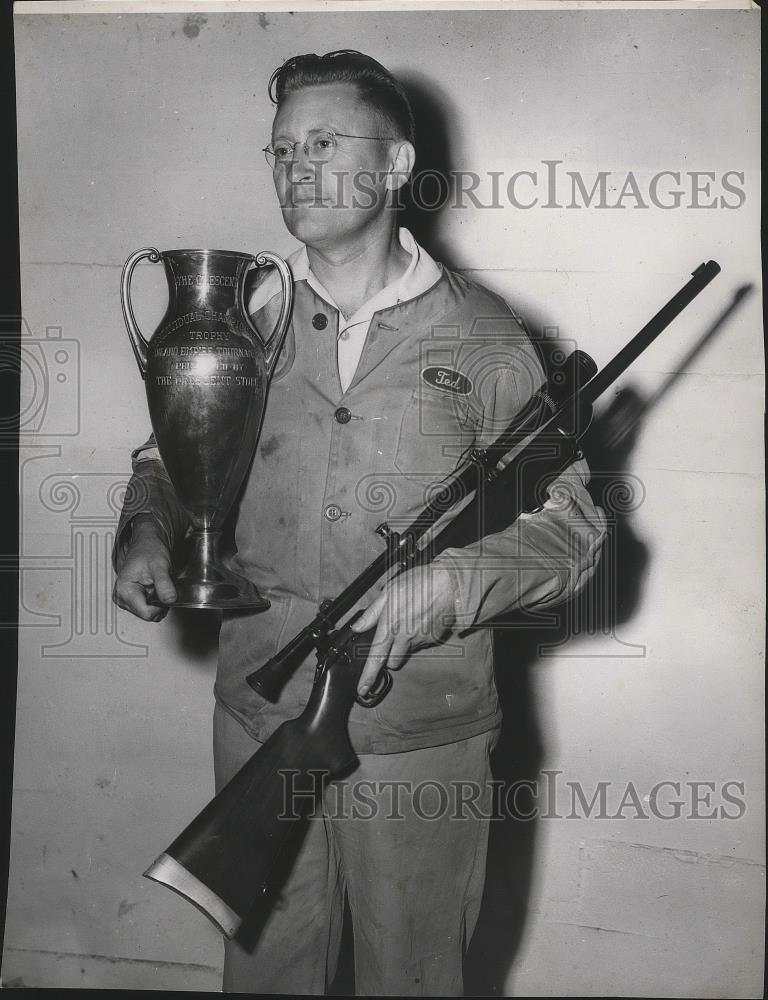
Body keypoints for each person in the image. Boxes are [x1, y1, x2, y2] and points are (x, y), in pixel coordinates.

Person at [113, 50, 606, 996]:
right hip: (259, 718)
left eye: (326, 143)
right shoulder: (248, 312)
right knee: (265, 972)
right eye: (282, 149)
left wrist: (451, 588)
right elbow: (170, 461)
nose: (297, 167)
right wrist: (144, 526)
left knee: (412, 975)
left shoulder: (489, 336)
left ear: (394, 165)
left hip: (426, 736)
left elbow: (575, 528)